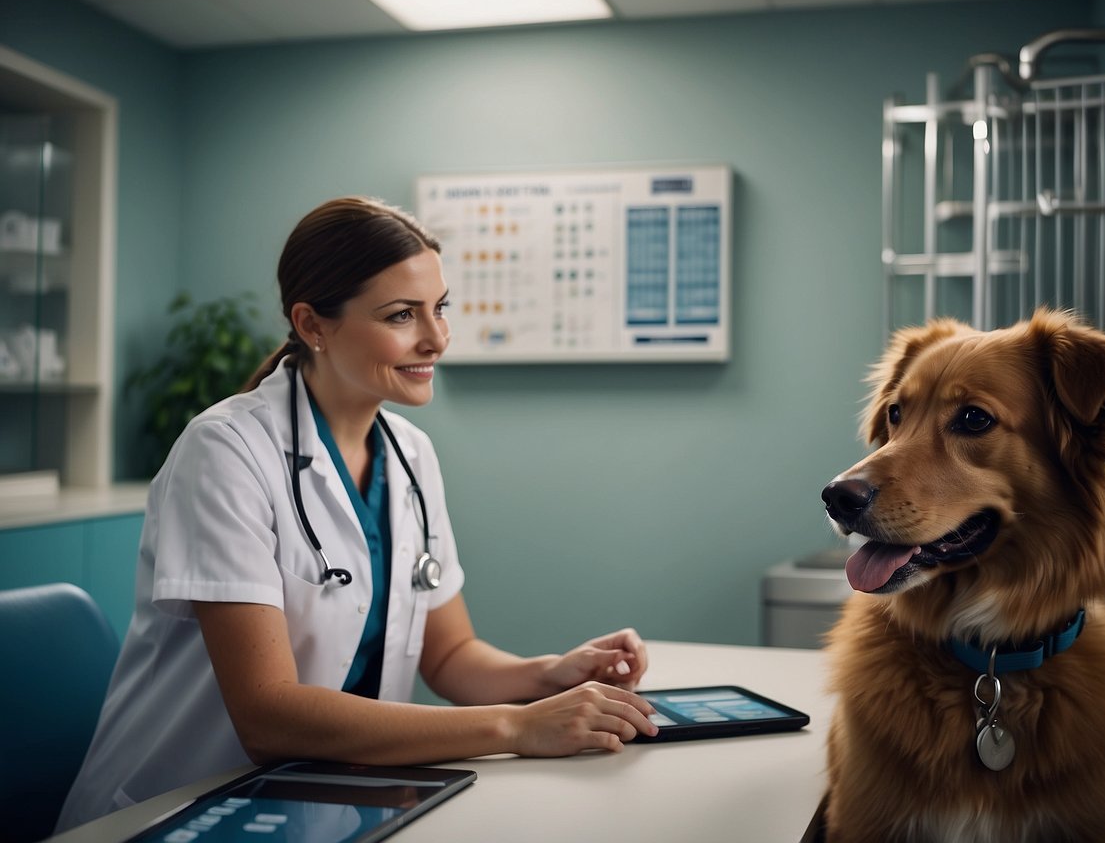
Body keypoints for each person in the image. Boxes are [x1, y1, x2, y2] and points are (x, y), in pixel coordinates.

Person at [56, 196, 658, 831]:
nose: (438, 338)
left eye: (440, 308)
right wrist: (516, 725)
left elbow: (449, 656)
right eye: (402, 315)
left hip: (320, 798)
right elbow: (268, 717)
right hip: (178, 808)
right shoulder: (226, 451)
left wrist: (548, 675)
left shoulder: (410, 453)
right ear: (313, 324)